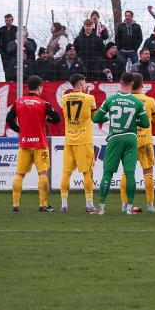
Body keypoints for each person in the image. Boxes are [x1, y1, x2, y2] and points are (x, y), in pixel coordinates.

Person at [90, 72, 150, 215]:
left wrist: (111, 117)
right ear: (132, 84)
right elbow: (146, 124)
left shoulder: (111, 99)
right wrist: (133, 120)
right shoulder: (138, 102)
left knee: (108, 172)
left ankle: (102, 208)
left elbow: (96, 118)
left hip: (115, 137)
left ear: (120, 82)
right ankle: (129, 208)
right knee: (130, 173)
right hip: (130, 137)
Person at [6, 76, 61, 212]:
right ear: (39, 87)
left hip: (24, 144)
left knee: (19, 174)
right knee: (42, 174)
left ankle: (15, 205)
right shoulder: (43, 104)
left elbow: (9, 119)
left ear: (28, 87)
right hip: (40, 145)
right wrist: (47, 119)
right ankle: (43, 205)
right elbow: (57, 119)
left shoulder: (18, 102)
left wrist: (19, 130)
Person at [117, 74, 155, 213]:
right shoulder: (150, 101)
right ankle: (150, 205)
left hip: (128, 141)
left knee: (126, 173)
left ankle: (124, 205)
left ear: (129, 85)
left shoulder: (123, 100)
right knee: (148, 173)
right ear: (142, 85)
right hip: (145, 141)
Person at [59, 74, 97, 212]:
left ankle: (64, 204)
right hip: (84, 141)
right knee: (87, 172)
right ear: (81, 83)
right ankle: (89, 204)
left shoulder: (64, 98)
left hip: (69, 140)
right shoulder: (89, 98)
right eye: (84, 82)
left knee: (66, 172)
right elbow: (93, 117)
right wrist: (85, 94)